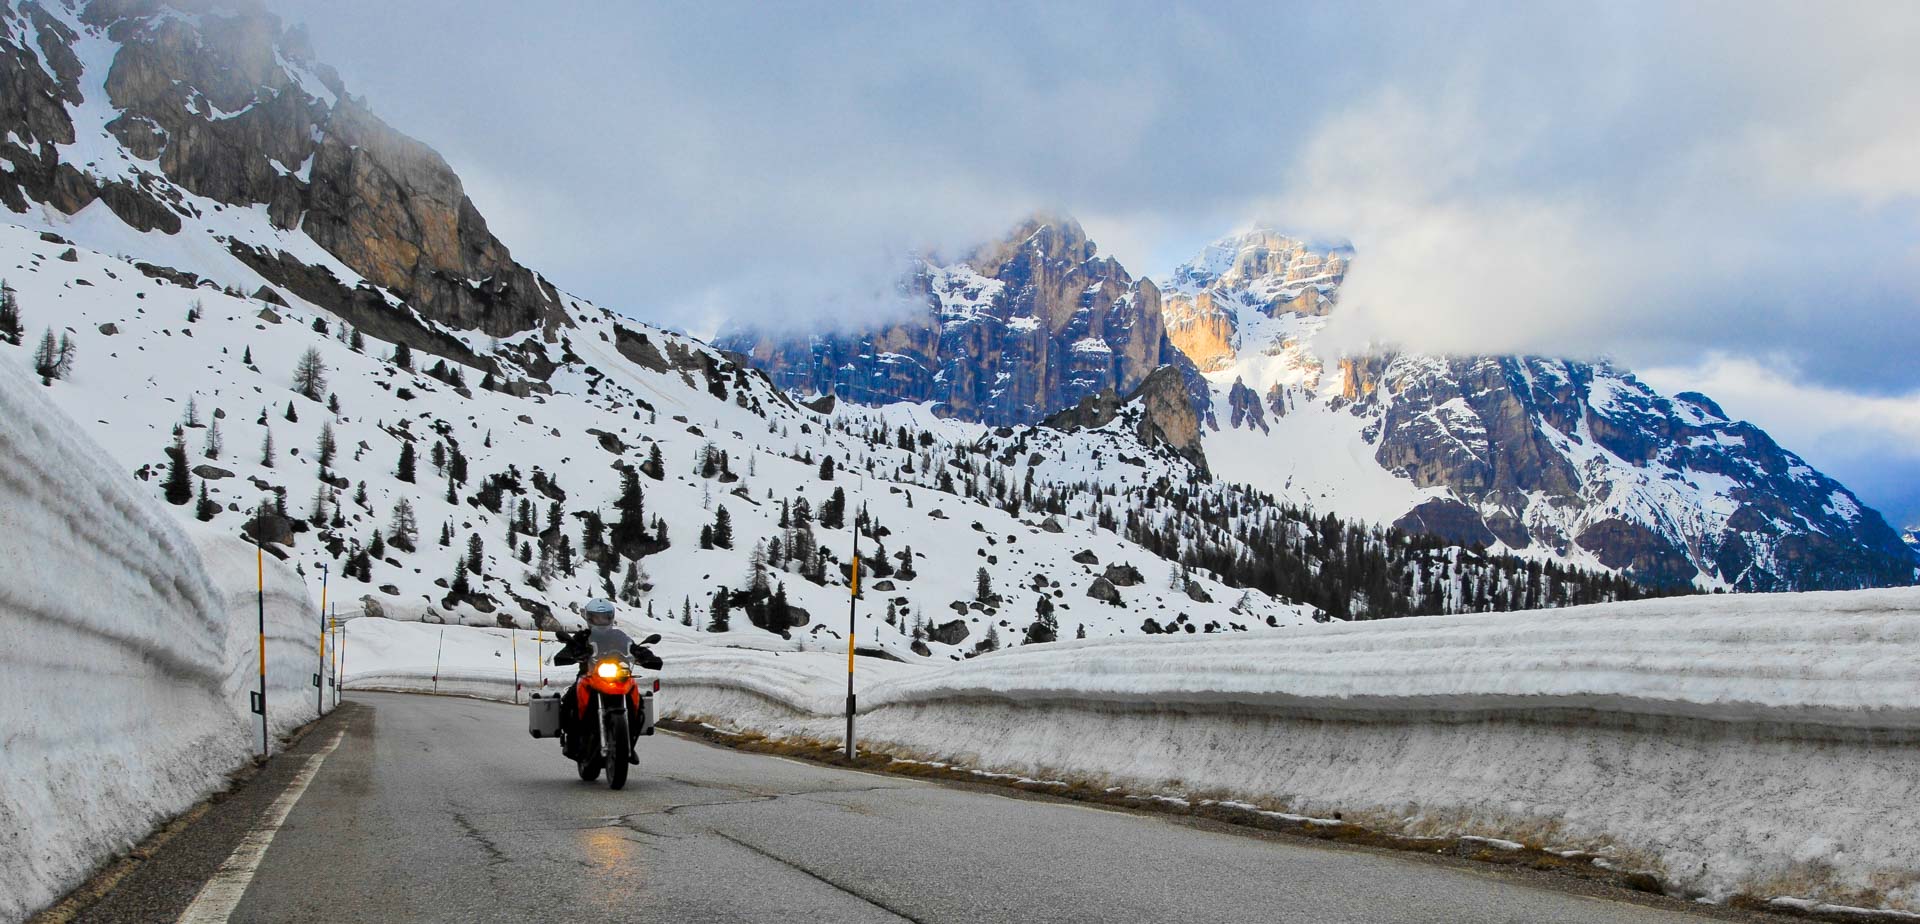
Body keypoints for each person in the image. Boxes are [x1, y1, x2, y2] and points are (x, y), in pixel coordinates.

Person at [553, 598, 662, 757]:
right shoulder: (582, 637)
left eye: (604, 617)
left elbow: (632, 647)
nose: (601, 621)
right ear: (589, 618)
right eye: (597, 617)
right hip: (588, 676)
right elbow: (567, 651)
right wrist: (573, 654)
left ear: (611, 617)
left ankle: (628, 744)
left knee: (639, 703)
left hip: (618, 676)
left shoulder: (618, 636)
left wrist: (644, 655)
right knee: (569, 701)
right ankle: (572, 741)